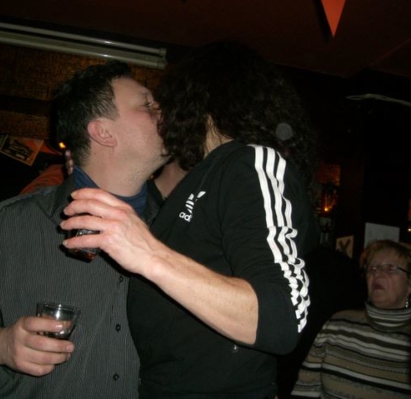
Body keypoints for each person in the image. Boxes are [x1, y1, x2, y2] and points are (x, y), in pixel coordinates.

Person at [61, 40, 321, 398]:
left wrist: (149, 254)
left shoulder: (249, 161)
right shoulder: (199, 180)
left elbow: (284, 317)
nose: (162, 107)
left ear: (199, 95)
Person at [0, 60, 167, 398]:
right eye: (147, 105)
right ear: (103, 132)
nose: (162, 111)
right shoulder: (7, 226)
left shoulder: (179, 230)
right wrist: (1, 344)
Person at [291, 239, 411, 398]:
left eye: (390, 268)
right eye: (372, 267)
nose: (377, 273)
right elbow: (304, 388)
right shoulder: (338, 324)